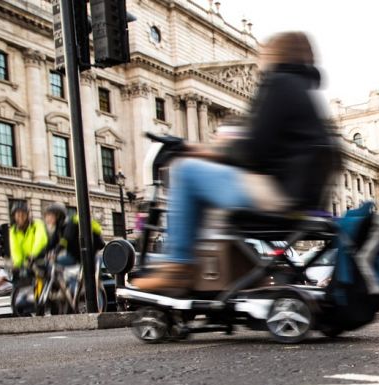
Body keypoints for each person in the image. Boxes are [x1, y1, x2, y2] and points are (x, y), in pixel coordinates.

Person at [135, 31, 339, 294]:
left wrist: (196, 150)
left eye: (263, 53)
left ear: (275, 54)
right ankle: (243, 274)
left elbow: (253, 153)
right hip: (301, 197)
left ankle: (178, 267)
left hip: (279, 195)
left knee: (186, 172)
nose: (259, 60)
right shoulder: (304, 91)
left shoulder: (280, 84)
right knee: (215, 201)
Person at [44, 202, 105, 267]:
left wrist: (56, 252)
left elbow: (65, 240)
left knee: (74, 275)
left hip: (89, 256)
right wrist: (41, 253)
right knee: (49, 262)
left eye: (49, 215)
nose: (47, 219)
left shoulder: (71, 224)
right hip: (75, 257)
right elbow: (51, 243)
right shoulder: (58, 229)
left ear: (58, 215)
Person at [8, 201, 48, 274]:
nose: (20, 217)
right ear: (14, 217)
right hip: (27, 263)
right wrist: (17, 264)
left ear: (27, 215)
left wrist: (33, 254)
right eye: (18, 215)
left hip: (41, 257)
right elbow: (15, 249)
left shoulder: (37, 224)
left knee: (51, 275)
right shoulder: (13, 231)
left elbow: (40, 240)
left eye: (23, 214)